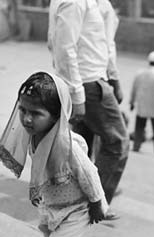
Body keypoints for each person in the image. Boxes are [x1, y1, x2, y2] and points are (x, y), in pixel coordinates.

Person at [0, 72, 111, 237]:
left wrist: (97, 203)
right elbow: (41, 168)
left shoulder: (67, 147)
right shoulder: (35, 137)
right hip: (53, 204)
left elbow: (89, 173)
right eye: (23, 110)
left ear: (56, 116)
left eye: (36, 113)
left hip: (78, 207)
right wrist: (38, 190)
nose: (27, 119)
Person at [48, 0, 129, 220]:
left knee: (82, 146)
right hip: (88, 83)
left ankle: (80, 196)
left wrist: (114, 77)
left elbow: (102, 43)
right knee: (117, 143)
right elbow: (63, 47)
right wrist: (77, 93)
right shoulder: (75, 2)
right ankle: (93, 203)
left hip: (91, 79)